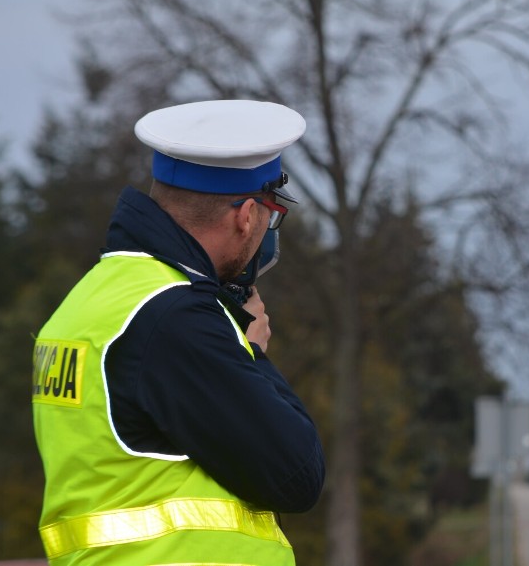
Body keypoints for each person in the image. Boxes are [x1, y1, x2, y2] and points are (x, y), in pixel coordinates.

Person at [31, 100, 325, 565]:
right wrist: (250, 354)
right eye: (271, 212)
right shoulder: (176, 317)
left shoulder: (88, 301)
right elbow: (297, 474)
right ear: (247, 215)